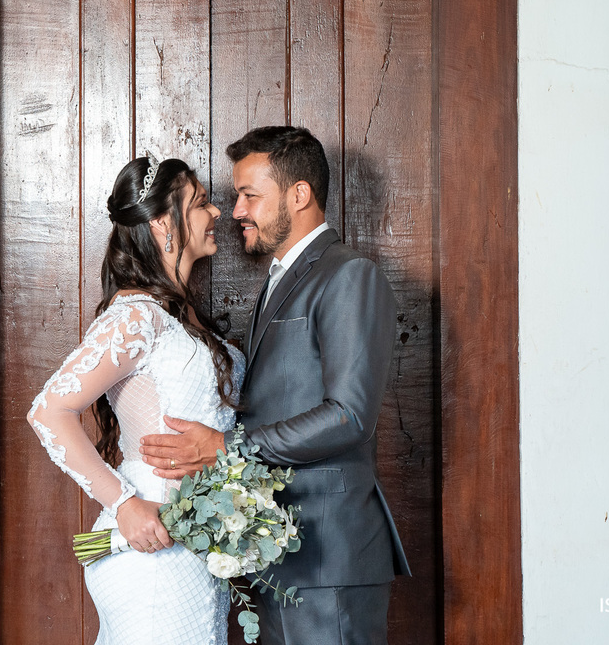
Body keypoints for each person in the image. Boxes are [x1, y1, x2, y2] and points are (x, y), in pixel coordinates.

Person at [138, 127, 410, 645]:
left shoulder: (349, 274)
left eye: (249, 195)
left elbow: (349, 414)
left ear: (299, 195)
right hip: (280, 551)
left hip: (331, 555)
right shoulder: (280, 279)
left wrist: (225, 447)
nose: (236, 209)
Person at [27, 155, 244, 645]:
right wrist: (124, 504)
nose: (216, 215)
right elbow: (48, 411)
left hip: (197, 547)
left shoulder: (183, 316)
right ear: (165, 223)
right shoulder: (135, 318)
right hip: (150, 544)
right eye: (203, 203)